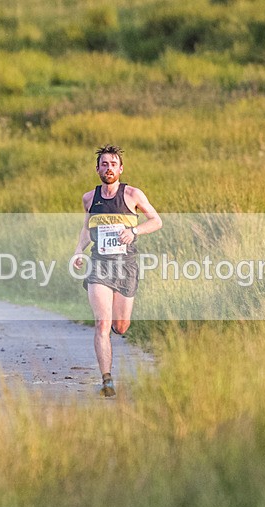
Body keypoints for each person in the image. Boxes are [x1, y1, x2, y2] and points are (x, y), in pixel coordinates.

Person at [73, 145, 162, 397]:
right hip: (99, 264)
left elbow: (156, 221)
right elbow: (86, 228)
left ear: (120, 169)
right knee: (102, 323)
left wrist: (133, 231)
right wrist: (79, 250)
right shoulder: (90, 198)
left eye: (113, 164)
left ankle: (116, 326)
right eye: (104, 164)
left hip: (126, 266)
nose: (108, 168)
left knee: (120, 326)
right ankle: (106, 379)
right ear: (97, 169)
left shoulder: (133, 194)